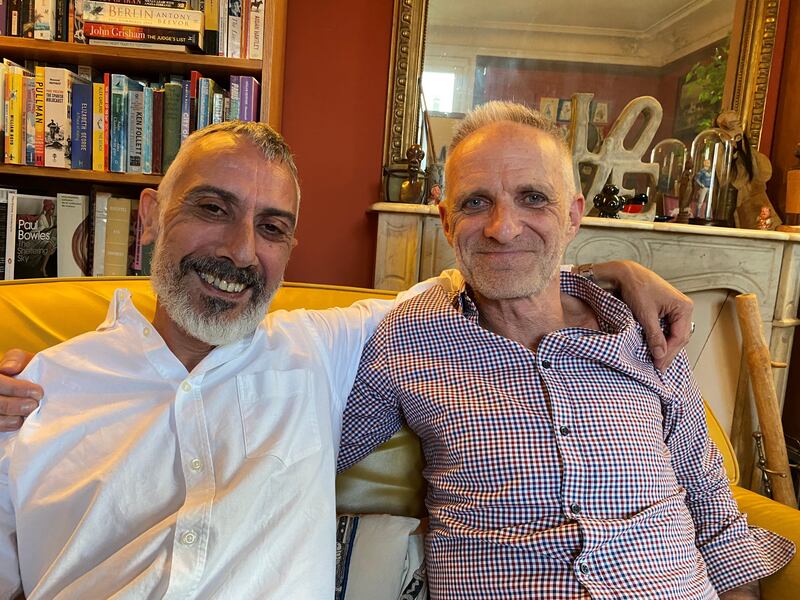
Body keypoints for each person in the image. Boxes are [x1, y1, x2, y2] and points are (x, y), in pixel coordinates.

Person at [0, 121, 691, 597]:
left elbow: (499, 263)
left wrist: (612, 271)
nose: (241, 251)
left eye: (272, 228)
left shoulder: (322, 350)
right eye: (212, 208)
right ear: (149, 216)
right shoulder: (36, 393)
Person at [336, 101, 794, 599]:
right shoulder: (407, 335)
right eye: (475, 203)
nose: (503, 227)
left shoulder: (646, 330)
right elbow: (308, 456)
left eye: (533, 198)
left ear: (573, 216)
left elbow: (708, 496)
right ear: (446, 222)